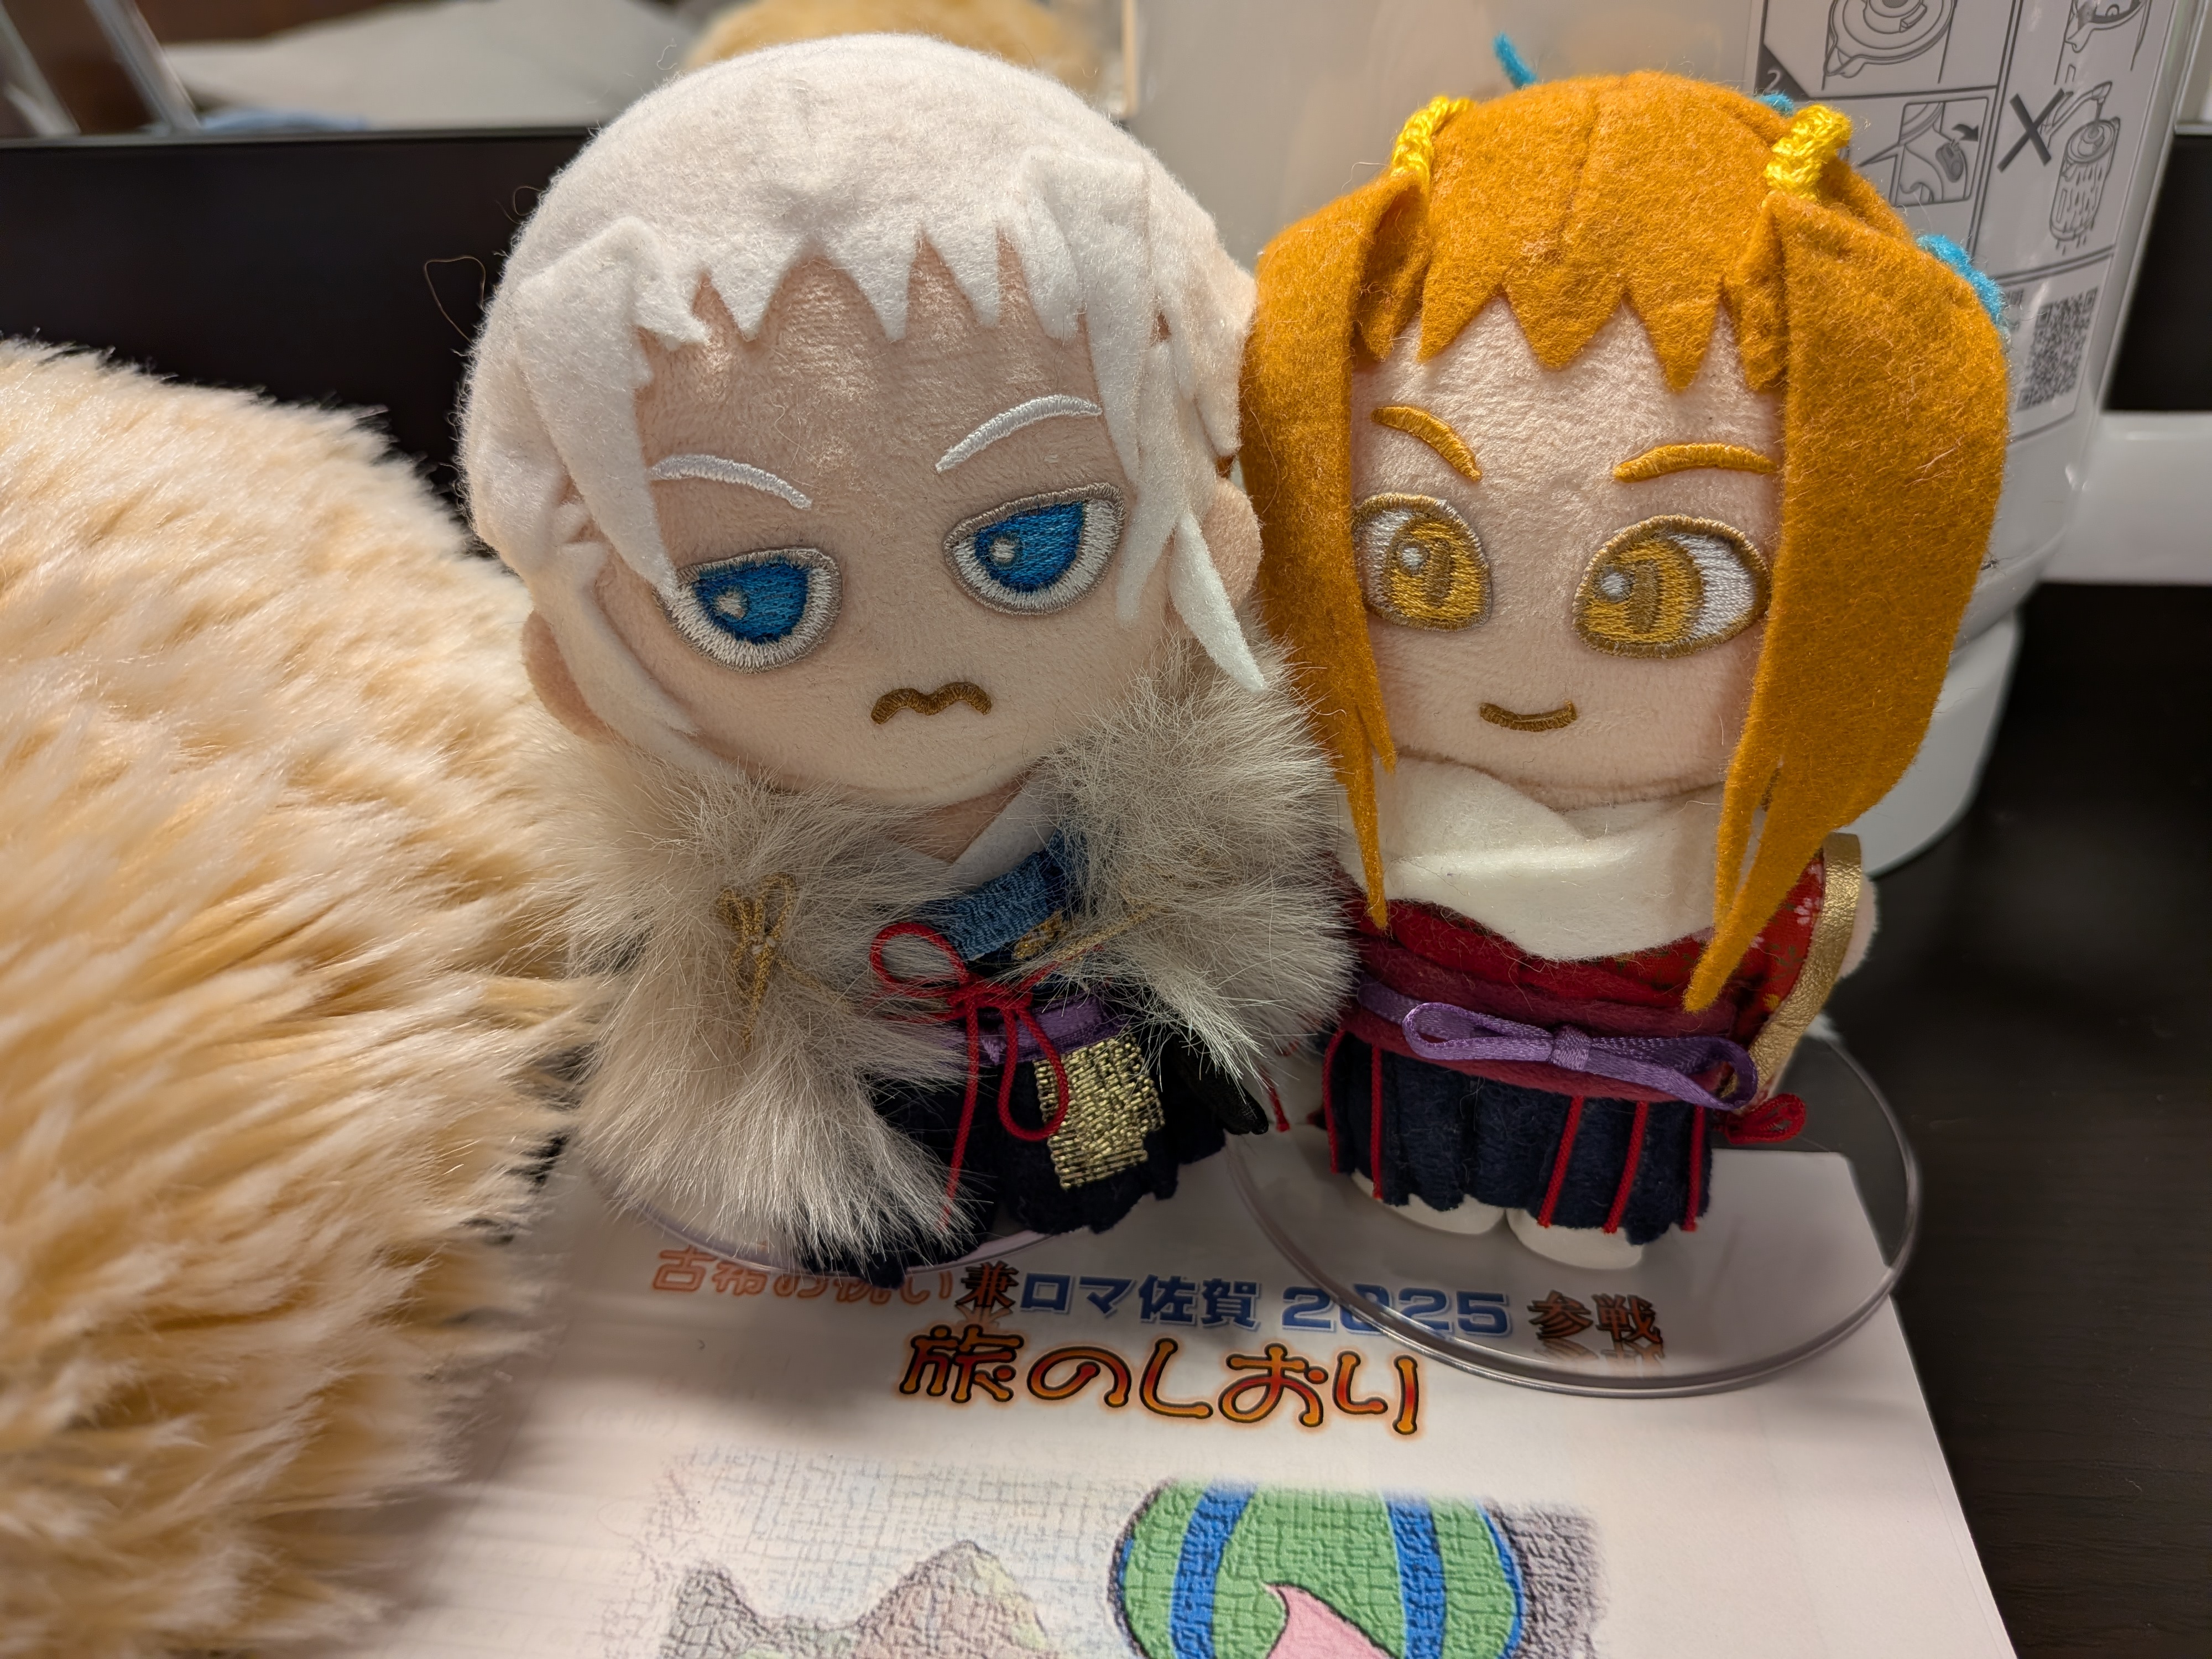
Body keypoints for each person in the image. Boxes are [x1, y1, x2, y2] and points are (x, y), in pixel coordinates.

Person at [463, 36, 1348, 1283]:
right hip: (874, 1051)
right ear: (573, 667)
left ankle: (1106, 1176)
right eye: (752, 600)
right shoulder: (723, 869)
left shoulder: (1159, 789)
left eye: (1032, 546)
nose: (922, 672)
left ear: (1214, 534)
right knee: (890, 1182)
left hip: (1085, 1007)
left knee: (1106, 1137)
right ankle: (887, 1222)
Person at [1242, 75, 2009, 1265]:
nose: (1527, 683)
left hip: (1627, 1100)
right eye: (1417, 561)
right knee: (1408, 1188)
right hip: (1408, 1081)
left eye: (1669, 589)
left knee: (1585, 1222)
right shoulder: (1343, 805)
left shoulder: (1734, 854)